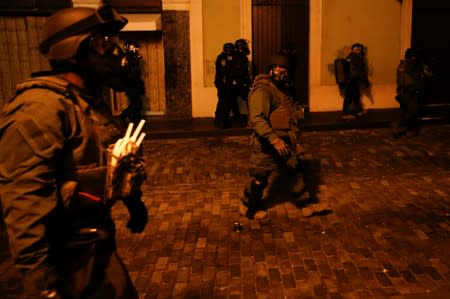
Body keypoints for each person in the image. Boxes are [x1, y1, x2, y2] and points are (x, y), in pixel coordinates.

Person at [0, 5, 148, 298]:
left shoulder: (90, 103)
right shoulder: (41, 109)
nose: (116, 52)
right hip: (64, 260)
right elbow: (24, 204)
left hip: (97, 247)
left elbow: (111, 163)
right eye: (104, 44)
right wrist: (40, 284)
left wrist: (134, 202)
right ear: (74, 51)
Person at [240, 55, 327, 220]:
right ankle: (247, 207)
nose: (282, 72)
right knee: (259, 178)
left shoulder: (281, 90)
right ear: (270, 70)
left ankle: (307, 205)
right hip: (267, 144)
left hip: (284, 143)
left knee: (294, 171)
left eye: (284, 69)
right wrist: (273, 139)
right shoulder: (262, 90)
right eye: (278, 68)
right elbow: (257, 119)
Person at [393, 47, 432, 138]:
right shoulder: (406, 65)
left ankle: (405, 128)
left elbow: (427, 76)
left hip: (411, 91)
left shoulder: (417, 65)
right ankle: (400, 126)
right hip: (408, 91)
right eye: (412, 56)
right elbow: (402, 79)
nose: (413, 58)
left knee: (407, 111)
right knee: (411, 111)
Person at [341, 43, 370, 119]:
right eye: (357, 49)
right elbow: (360, 71)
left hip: (352, 80)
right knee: (349, 97)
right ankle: (345, 113)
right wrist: (365, 81)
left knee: (356, 96)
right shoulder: (355, 58)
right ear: (353, 49)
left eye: (360, 49)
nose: (359, 51)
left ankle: (359, 110)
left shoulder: (350, 57)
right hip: (352, 80)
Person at [214, 42, 235, 128]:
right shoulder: (223, 58)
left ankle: (219, 119)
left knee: (222, 101)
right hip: (224, 83)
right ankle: (222, 121)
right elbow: (226, 70)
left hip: (222, 82)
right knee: (225, 102)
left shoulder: (221, 57)